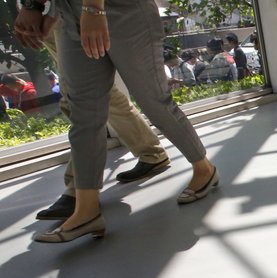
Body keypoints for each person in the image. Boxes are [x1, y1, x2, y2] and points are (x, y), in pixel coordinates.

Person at [14, 0, 219, 243]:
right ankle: (86, 210)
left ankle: (204, 169)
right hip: (69, 12)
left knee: (153, 100)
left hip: (121, 9)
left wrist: (93, 8)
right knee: (83, 114)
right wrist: (35, 5)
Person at [25, 18, 172, 220]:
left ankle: (80, 190)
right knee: (97, 91)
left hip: (65, 14)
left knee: (80, 96)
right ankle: (150, 151)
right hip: (54, 17)